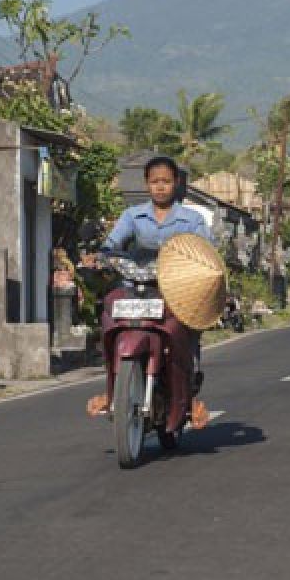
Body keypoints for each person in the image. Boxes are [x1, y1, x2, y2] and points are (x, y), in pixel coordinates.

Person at [87, 156, 212, 426]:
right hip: (135, 289)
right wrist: (100, 256)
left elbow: (205, 250)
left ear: (176, 183)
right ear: (147, 184)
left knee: (187, 331)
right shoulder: (133, 215)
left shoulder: (192, 219)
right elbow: (112, 243)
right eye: (155, 182)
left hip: (175, 291)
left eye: (166, 181)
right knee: (109, 313)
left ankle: (188, 393)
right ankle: (112, 388)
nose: (160, 187)